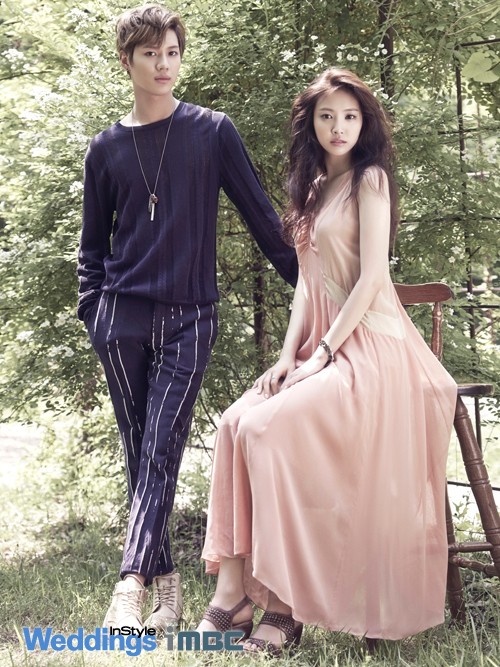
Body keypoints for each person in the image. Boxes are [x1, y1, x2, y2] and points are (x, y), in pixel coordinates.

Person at [197, 67, 457, 654]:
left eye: (350, 116)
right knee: (235, 422)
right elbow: (307, 287)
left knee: (266, 429)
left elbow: (371, 279)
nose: (339, 126)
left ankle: (285, 607)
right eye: (327, 116)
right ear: (310, 124)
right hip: (320, 344)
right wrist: (287, 356)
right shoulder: (313, 189)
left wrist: (323, 353)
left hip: (371, 349)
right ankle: (233, 594)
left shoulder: (371, 180)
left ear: (364, 123)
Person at [76, 4, 298, 632]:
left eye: (172, 52)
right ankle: (168, 593)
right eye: (150, 54)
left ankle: (131, 582)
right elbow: (91, 249)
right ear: (128, 61)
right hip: (121, 317)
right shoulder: (106, 149)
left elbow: (264, 221)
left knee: (160, 443)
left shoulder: (211, 131)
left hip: (190, 318)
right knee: (142, 452)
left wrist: (326, 289)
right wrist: (94, 311)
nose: (164, 64)